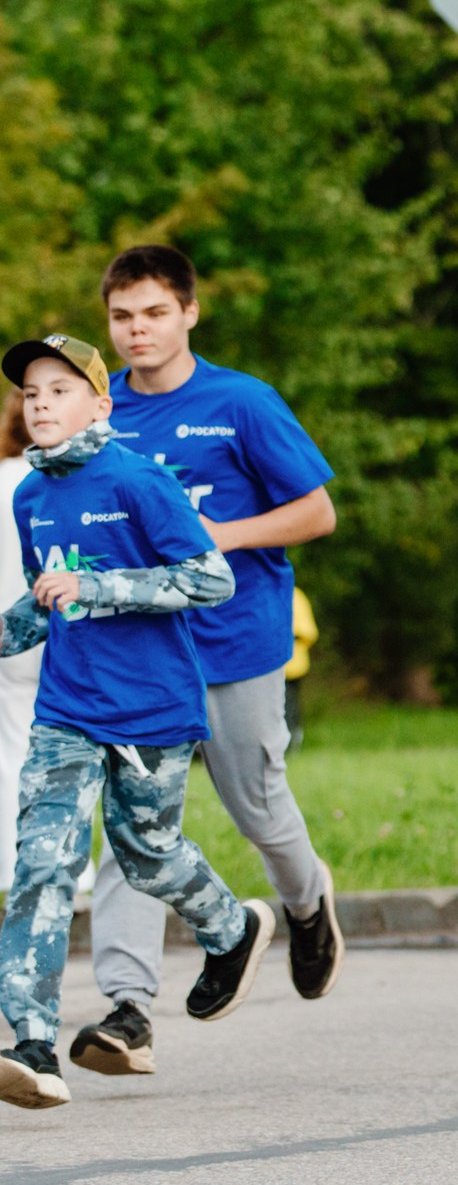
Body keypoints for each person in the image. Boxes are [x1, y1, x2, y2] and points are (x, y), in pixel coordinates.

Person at [69, 246, 342, 1083]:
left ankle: (305, 904)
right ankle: (126, 1007)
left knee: (257, 805)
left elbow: (317, 512)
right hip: (141, 652)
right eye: (122, 317)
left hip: (236, 643)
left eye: (153, 312)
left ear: (190, 312)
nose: (137, 330)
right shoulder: (102, 417)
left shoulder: (241, 403)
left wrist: (216, 538)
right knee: (131, 826)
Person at [0, 335, 277, 1108]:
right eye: (30, 393)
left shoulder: (139, 479)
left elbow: (210, 577)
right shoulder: (30, 496)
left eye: (59, 389)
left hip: (154, 706)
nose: (42, 403)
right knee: (42, 866)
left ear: (100, 404)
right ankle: (30, 1044)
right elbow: (47, 599)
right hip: (67, 708)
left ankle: (232, 929)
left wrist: (102, 587)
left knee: (148, 852)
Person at [0, 392, 39, 901]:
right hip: (64, 625)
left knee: (15, 746)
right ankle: (77, 872)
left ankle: (16, 868)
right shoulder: (64, 478)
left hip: (9, 632)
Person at [284, 584, 315, 748]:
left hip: (293, 666)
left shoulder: (295, 595)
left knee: (290, 703)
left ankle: (292, 739)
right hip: (275, 666)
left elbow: (307, 631)